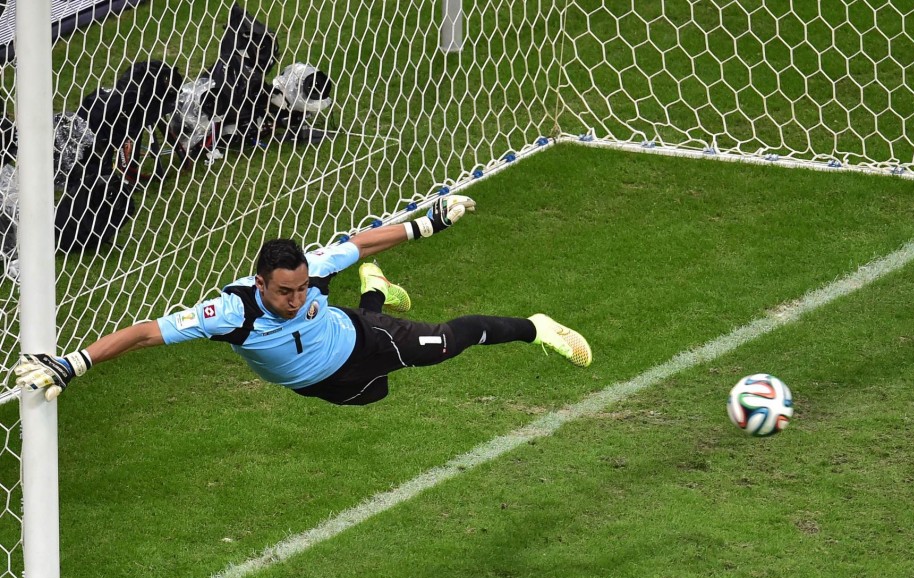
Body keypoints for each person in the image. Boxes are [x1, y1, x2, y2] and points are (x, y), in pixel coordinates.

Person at [15, 195, 592, 406]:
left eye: (301, 288)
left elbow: (359, 240)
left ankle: (534, 327)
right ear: (260, 283)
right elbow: (143, 332)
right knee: (374, 397)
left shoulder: (312, 273)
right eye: (285, 291)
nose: (295, 298)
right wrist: (74, 363)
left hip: (360, 341)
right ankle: (377, 292)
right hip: (323, 384)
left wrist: (428, 224)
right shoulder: (229, 314)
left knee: (440, 344)